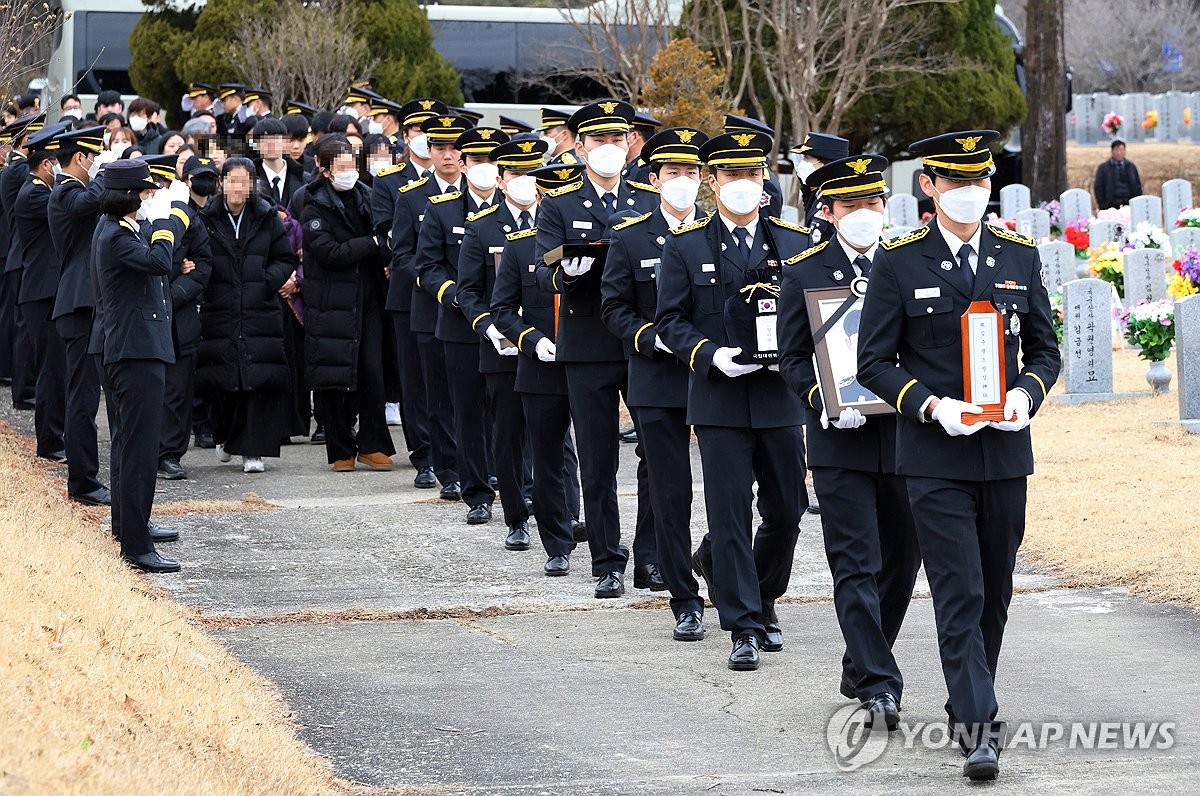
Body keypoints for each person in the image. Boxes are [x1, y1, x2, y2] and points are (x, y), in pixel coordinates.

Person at [857, 130, 1061, 780]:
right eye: (957, 181)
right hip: (934, 456)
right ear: (930, 186)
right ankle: (978, 725)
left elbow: (1045, 350)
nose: (971, 192)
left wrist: (1026, 395)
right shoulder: (899, 261)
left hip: (1004, 453)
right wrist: (930, 406)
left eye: (980, 181)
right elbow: (873, 361)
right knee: (959, 591)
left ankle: (968, 696)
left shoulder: (1017, 254)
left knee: (995, 591)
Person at [655, 130, 812, 671]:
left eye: (751, 173)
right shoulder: (686, 244)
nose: (742, 182)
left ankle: (762, 592)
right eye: (731, 174)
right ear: (713, 181)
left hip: (779, 395)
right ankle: (744, 624)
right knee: (729, 514)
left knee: (787, 511)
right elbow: (670, 320)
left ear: (763, 178)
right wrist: (710, 354)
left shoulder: (793, 242)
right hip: (719, 398)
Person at [776, 154, 921, 729]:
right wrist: (822, 401)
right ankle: (879, 682)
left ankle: (861, 659)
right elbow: (792, 358)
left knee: (903, 559)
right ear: (829, 212)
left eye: (873, 202)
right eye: (851, 204)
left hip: (904, 434)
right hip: (840, 439)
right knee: (855, 560)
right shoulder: (804, 271)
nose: (865, 213)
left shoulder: (907, 262)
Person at [534, 99, 661, 599]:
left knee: (657, 453)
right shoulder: (559, 203)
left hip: (641, 342)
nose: (609, 148)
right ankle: (608, 559)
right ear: (581, 148)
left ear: (629, 144)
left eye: (617, 139)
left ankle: (651, 556)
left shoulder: (647, 199)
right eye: (598, 140)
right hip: (587, 342)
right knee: (597, 457)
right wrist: (566, 274)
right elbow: (543, 270)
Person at [600, 126, 709, 639]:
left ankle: (713, 560)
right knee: (670, 490)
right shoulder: (630, 235)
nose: (683, 179)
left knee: (733, 490)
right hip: (657, 378)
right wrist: (652, 339)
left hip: (716, 377)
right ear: (654, 178)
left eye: (691, 171)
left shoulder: (717, 232)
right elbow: (613, 308)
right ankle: (683, 596)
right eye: (673, 171)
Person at [90, 158, 190, 572]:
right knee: (139, 451)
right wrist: (168, 217)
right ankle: (136, 544)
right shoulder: (116, 235)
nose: (152, 197)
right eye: (147, 192)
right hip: (133, 352)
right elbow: (160, 261)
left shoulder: (119, 228)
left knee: (129, 446)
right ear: (130, 196)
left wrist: (162, 219)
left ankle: (130, 525)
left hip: (132, 348)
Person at [490, 163, 586, 574]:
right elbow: (502, 310)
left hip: (589, 362)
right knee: (546, 457)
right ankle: (557, 542)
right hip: (541, 364)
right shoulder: (520, 247)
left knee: (590, 457)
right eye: (552, 199)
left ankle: (581, 521)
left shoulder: (599, 244)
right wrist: (531, 341)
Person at [456, 135, 549, 546]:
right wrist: (491, 329)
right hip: (503, 346)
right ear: (501, 178)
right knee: (508, 434)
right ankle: (516, 517)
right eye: (516, 172)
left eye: (532, 172)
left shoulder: (555, 219)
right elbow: (468, 292)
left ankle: (561, 513)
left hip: (549, 346)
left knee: (556, 437)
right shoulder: (481, 226)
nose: (524, 179)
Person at [416, 124, 511, 525]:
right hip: (462, 326)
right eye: (476, 159)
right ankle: (477, 492)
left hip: (510, 326)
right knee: (468, 411)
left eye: (491, 159)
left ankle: (516, 483)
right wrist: (455, 295)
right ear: (465, 164)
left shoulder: (516, 210)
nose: (484, 166)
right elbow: (427, 267)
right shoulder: (442, 209)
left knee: (509, 412)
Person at [299, 134, 395, 472]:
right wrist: (371, 243)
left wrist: (380, 246)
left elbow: (386, 237)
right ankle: (341, 447)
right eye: (340, 167)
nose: (348, 172)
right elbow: (330, 253)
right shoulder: (312, 203)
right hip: (330, 303)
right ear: (325, 169)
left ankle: (373, 443)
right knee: (334, 375)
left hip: (368, 297)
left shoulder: (367, 195)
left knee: (372, 370)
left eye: (351, 165)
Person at [196, 157, 297, 473]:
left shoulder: (267, 217)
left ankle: (253, 450)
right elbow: (196, 256)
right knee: (224, 381)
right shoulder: (206, 219)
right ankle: (225, 435)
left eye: (244, 181)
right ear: (222, 183)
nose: (238, 188)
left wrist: (266, 281)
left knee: (257, 381)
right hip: (220, 309)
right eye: (232, 180)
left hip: (259, 309)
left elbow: (285, 258)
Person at [389, 113, 467, 500]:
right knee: (432, 393)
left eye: (455, 148)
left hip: (477, 309)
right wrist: (436, 284)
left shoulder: (482, 193)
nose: (448, 155)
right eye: (440, 148)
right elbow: (403, 254)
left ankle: (477, 465)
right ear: (429, 151)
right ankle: (440, 464)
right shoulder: (412, 196)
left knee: (473, 394)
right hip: (430, 304)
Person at [374, 98, 446, 487]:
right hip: (411, 292)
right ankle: (424, 455)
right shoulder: (390, 182)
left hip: (459, 295)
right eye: (419, 129)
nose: (426, 136)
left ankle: (458, 452)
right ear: (407, 136)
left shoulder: (462, 180)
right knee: (415, 380)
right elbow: (391, 238)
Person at [47, 125, 113, 505]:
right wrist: (104, 174)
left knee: (85, 396)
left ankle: (85, 477)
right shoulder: (66, 192)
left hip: (85, 303)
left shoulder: (75, 191)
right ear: (81, 158)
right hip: (78, 304)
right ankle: (83, 481)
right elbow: (90, 201)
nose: (97, 163)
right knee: (82, 397)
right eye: (94, 156)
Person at [142, 154, 212, 481]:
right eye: (152, 185)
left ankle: (170, 452)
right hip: (142, 314)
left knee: (178, 388)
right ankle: (146, 450)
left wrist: (173, 292)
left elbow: (202, 266)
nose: (157, 191)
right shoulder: (133, 219)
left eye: (163, 184)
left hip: (179, 313)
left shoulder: (188, 219)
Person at [14, 122, 71, 462]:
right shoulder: (34, 194)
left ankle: (55, 435)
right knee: (51, 369)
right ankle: (50, 441)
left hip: (46, 291)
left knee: (56, 367)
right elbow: (64, 205)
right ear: (47, 164)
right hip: (41, 293)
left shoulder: (38, 190)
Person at [253, 117, 305, 207]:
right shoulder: (249, 180)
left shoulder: (304, 178)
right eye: (264, 140)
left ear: (285, 142)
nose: (270, 144)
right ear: (256, 145)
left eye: (275, 139)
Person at [1093, 138, 1142, 210]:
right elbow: (1098, 187)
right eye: (1116, 150)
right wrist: (1103, 205)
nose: (1119, 153)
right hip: (1110, 206)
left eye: (1121, 150)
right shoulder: (1103, 168)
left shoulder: (1131, 167)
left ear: (1125, 151)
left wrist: (1137, 203)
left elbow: (1137, 186)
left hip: (1129, 205)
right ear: (1112, 151)